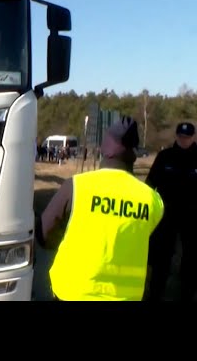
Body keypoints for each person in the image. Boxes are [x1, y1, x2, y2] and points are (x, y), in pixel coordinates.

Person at [37, 116, 164, 301]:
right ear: (133, 152)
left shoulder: (77, 186)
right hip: (126, 296)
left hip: (73, 292)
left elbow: (43, 236)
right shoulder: (152, 199)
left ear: (105, 148)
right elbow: (156, 253)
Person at [145, 122, 197, 301]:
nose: (183, 140)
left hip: (192, 217)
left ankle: (187, 294)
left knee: (191, 258)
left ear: (193, 137)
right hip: (166, 216)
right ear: (176, 136)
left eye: (187, 137)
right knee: (161, 258)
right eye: (181, 137)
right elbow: (150, 186)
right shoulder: (164, 157)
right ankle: (156, 293)